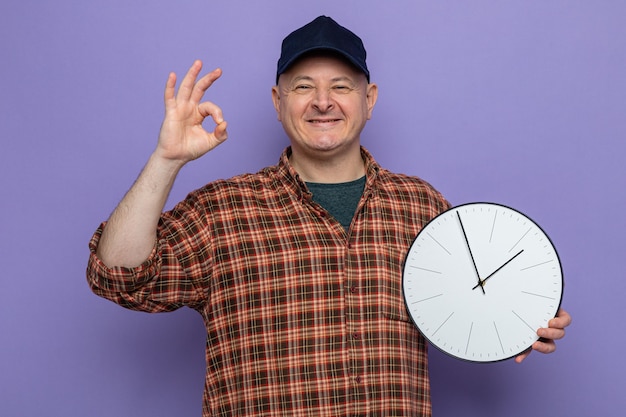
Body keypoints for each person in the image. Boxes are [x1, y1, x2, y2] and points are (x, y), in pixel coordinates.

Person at [87, 15, 571, 417]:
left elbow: (470, 309)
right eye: (303, 86)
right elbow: (119, 276)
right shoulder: (221, 210)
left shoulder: (421, 207)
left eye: (341, 85)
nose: (323, 101)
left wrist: (519, 325)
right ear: (278, 103)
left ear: (369, 99)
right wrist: (166, 158)